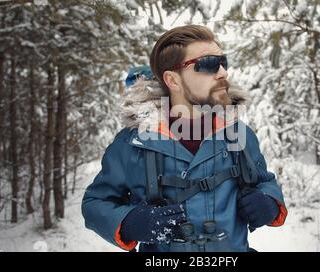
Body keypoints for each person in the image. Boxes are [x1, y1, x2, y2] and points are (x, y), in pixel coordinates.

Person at [81, 25, 287, 252]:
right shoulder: (134, 142)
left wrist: (269, 202)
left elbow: (265, 182)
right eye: (208, 63)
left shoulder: (237, 133)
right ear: (172, 79)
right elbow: (95, 203)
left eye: (223, 62)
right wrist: (129, 223)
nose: (222, 72)